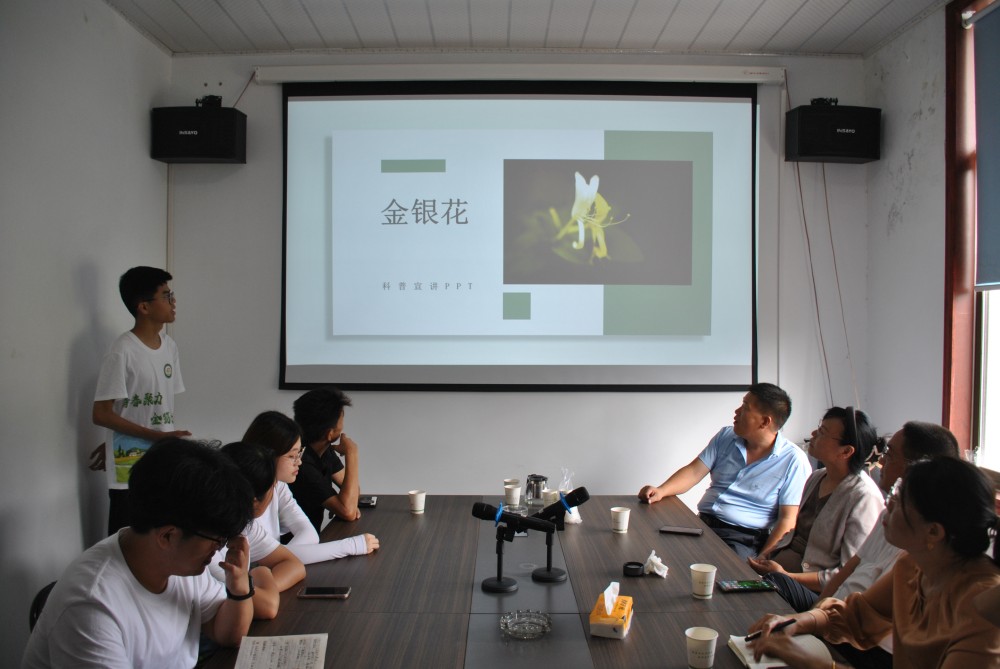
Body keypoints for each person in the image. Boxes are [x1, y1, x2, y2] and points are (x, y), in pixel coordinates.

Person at [746, 456, 1000, 669]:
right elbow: (858, 614)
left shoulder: (982, 606)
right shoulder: (913, 565)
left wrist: (812, 663)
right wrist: (796, 622)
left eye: (900, 500)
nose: (888, 503)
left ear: (933, 532)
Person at [22, 439, 255, 668]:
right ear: (167, 536)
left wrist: (239, 588)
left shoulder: (178, 561)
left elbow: (226, 633)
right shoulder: (91, 605)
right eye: (217, 540)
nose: (219, 548)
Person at [637, 383, 811, 558]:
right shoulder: (726, 436)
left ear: (765, 422)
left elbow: (787, 519)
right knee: (654, 550)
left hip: (742, 539)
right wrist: (661, 490)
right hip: (702, 525)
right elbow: (694, 471)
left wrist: (763, 558)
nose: (737, 411)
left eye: (745, 407)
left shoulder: (794, 461)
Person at [747, 407, 885, 609]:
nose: (813, 434)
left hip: (817, 595)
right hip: (780, 574)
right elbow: (796, 533)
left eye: (822, 432)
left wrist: (787, 576)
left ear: (846, 451)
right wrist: (766, 555)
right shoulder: (817, 476)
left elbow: (849, 573)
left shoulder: (863, 497)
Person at [92, 266, 191, 535]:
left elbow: (149, 407)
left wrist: (154, 438)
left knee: (159, 535)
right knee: (127, 537)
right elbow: (101, 413)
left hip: (162, 457)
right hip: (129, 466)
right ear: (144, 307)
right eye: (166, 296)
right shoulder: (123, 350)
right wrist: (152, 436)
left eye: (171, 295)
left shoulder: (169, 346)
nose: (173, 302)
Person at [243, 411, 379, 563]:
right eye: (292, 456)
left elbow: (309, 533)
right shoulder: (241, 498)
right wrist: (352, 545)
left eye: (299, 453)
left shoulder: (279, 486)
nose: (299, 462)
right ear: (265, 454)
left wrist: (282, 559)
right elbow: (277, 556)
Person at [210, 441, 306, 620]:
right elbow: (267, 606)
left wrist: (260, 588)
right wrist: (262, 573)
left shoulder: (243, 525)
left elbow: (295, 565)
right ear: (254, 500)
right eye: (273, 487)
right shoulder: (205, 543)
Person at [289, 387, 363, 531]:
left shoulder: (324, 449)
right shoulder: (301, 464)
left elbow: (353, 491)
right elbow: (348, 511)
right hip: (295, 543)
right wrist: (352, 453)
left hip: (310, 538)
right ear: (330, 434)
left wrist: (345, 502)